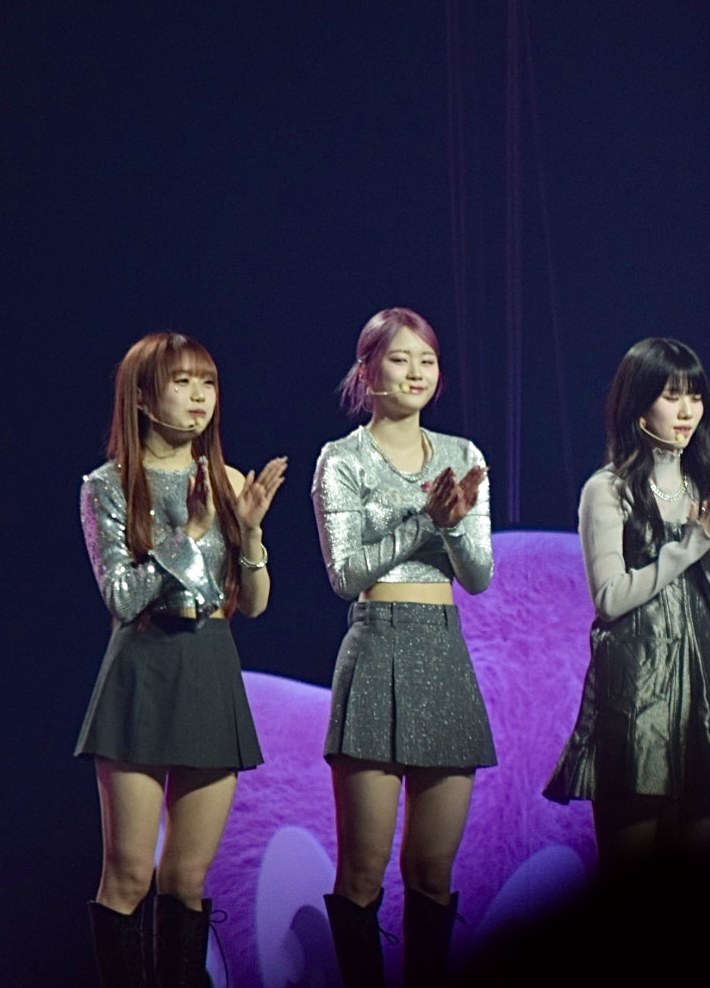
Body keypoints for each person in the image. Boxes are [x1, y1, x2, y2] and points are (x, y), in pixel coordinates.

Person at [76, 333, 288, 986]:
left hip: (210, 665)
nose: (200, 397)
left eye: (209, 382)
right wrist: (190, 533)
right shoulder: (108, 485)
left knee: (188, 877)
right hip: (143, 667)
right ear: (143, 398)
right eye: (182, 382)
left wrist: (249, 532)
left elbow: (255, 603)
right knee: (129, 875)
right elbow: (121, 596)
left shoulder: (229, 480)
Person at [312, 308, 495, 987]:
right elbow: (345, 576)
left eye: (428, 360)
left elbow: (478, 576)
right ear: (367, 372)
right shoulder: (342, 458)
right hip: (377, 645)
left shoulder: (463, 454)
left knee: (433, 871)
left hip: (443, 651)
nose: (417, 372)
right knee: (363, 873)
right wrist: (426, 520)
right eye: (400, 358)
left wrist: (453, 526)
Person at [544, 337, 710, 868]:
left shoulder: (705, 487)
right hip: (635, 692)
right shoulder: (608, 489)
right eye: (672, 396)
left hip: (701, 693)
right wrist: (687, 547)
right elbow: (610, 598)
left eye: (695, 396)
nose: (687, 411)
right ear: (639, 405)